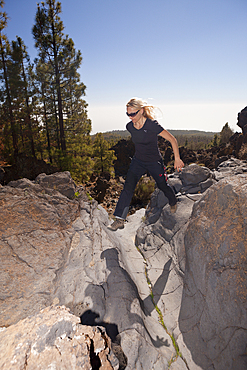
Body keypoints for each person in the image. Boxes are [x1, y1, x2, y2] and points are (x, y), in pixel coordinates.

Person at [108, 98, 184, 231]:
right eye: (128, 114)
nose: (130, 117)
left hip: (154, 162)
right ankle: (119, 219)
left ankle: (173, 201)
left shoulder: (152, 125)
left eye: (133, 114)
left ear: (141, 111)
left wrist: (177, 159)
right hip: (138, 161)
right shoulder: (130, 127)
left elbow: (172, 139)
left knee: (162, 185)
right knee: (128, 187)